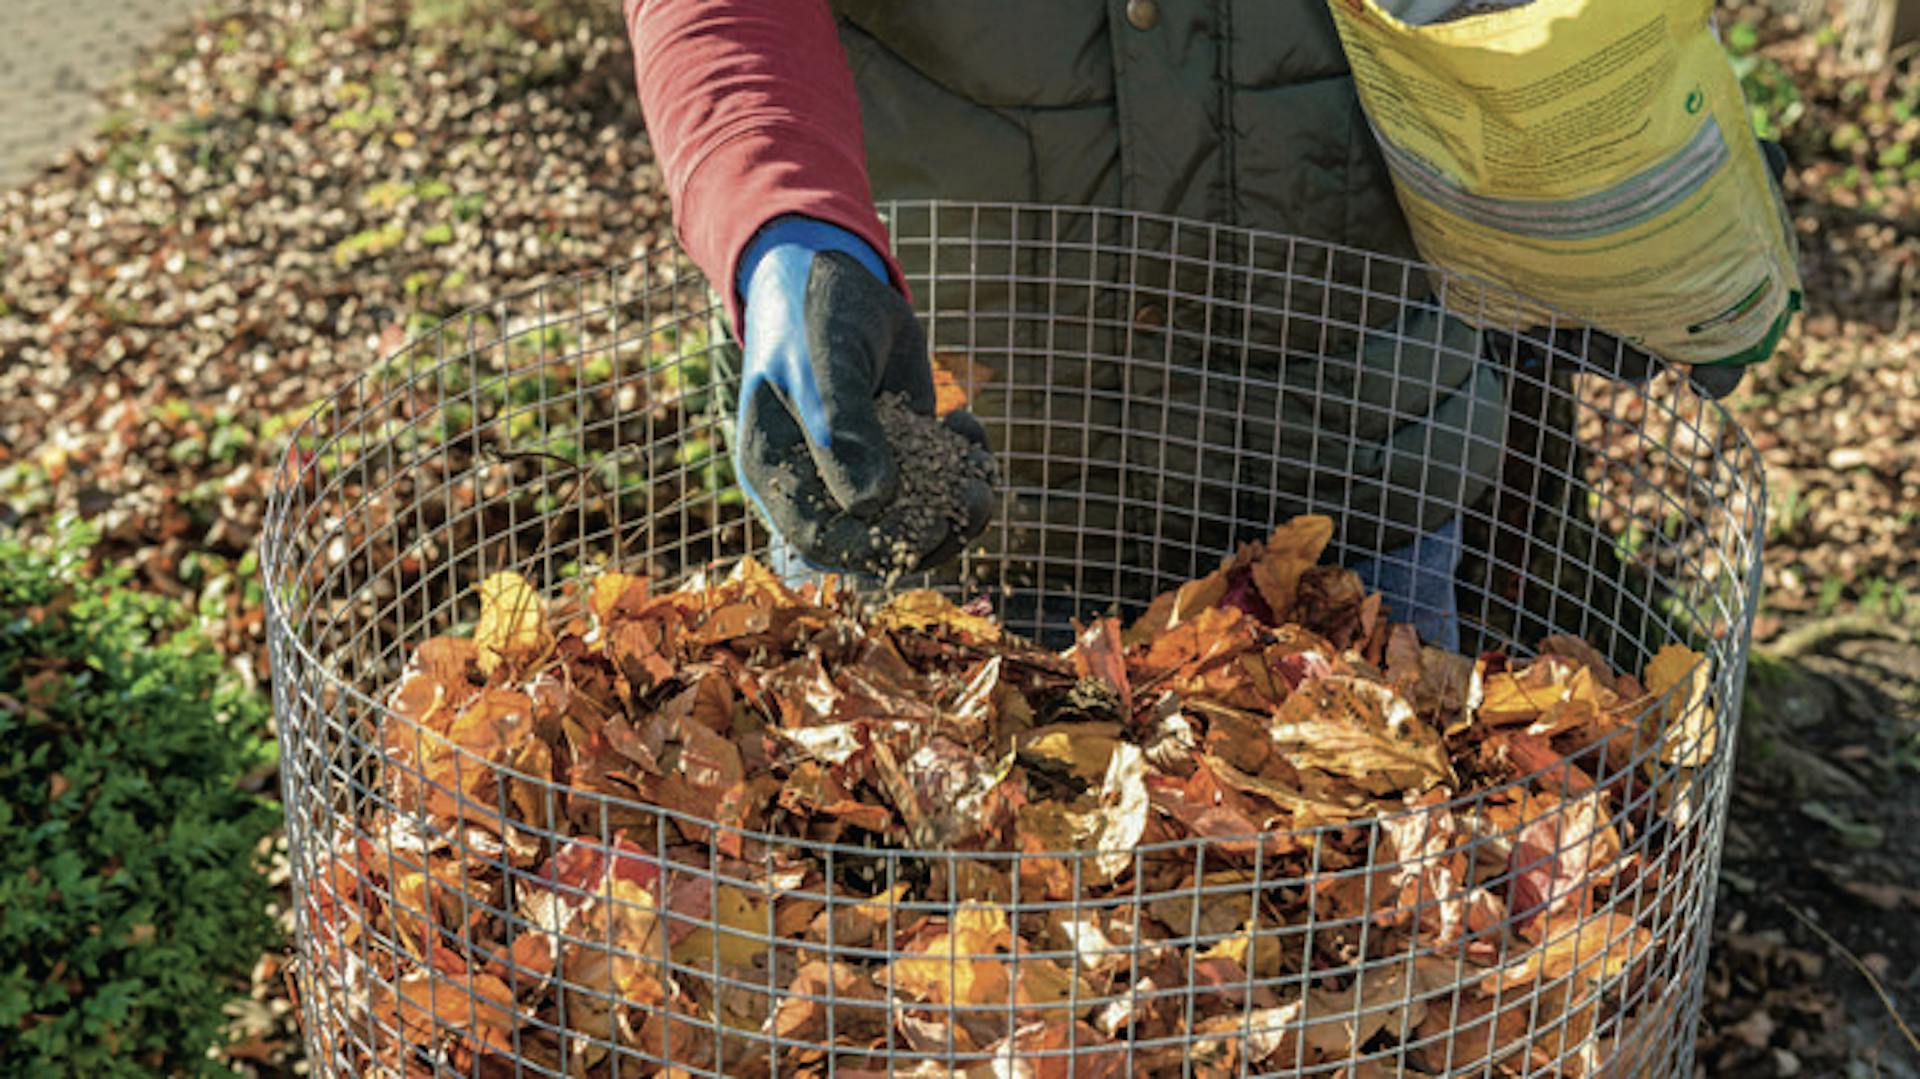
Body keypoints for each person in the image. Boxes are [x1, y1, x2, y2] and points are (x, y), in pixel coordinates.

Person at [624, 2, 1777, 651]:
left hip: (1354, 465)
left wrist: (1620, 187)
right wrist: (778, 220)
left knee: (1361, 981)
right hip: (962, 474)